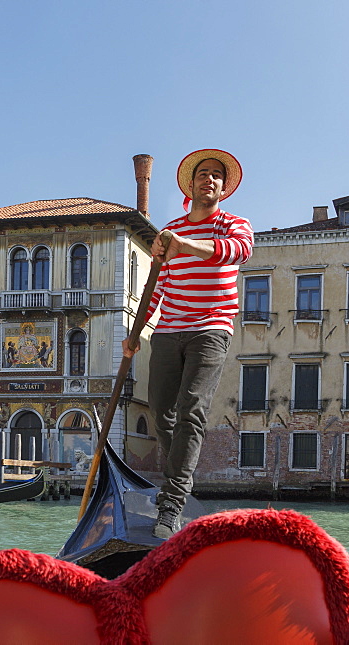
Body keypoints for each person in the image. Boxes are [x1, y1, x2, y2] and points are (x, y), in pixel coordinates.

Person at [123, 149, 254, 539]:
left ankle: (172, 503)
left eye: (217, 175)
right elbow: (156, 288)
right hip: (168, 329)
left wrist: (184, 245)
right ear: (192, 184)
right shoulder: (171, 229)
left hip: (212, 328)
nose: (209, 179)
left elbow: (237, 253)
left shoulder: (234, 225)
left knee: (192, 411)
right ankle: (179, 475)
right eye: (203, 174)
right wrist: (135, 334)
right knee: (161, 411)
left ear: (223, 187)